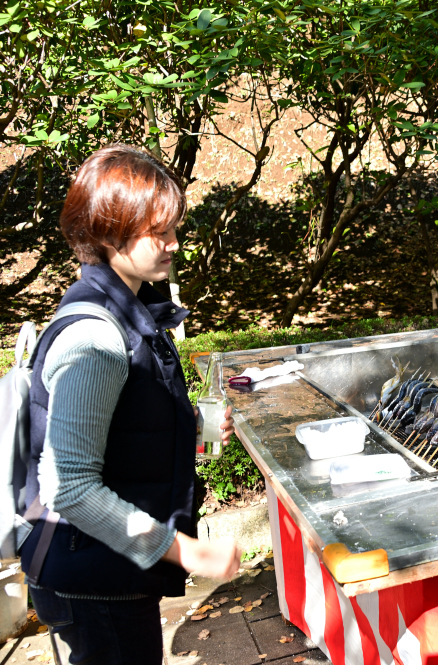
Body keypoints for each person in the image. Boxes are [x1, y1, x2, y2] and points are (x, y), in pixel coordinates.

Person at [21, 145, 242, 664]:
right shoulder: (96, 339)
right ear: (107, 232)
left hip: (105, 569)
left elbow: (118, 426)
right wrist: (185, 551)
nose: (174, 244)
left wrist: (180, 431)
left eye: (174, 229)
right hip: (93, 577)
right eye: (158, 233)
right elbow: (70, 488)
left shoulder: (127, 309)